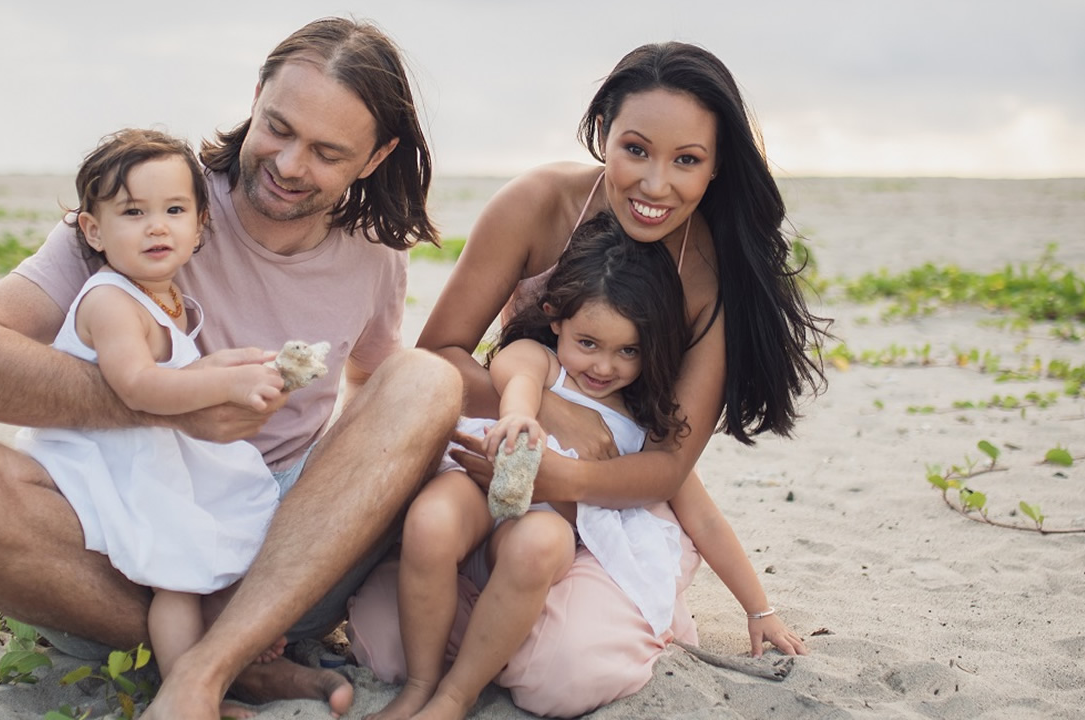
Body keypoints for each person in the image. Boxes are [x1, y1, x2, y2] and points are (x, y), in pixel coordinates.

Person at [0, 18, 461, 720]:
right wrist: (165, 403)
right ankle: (232, 663)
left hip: (276, 557)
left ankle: (210, 661)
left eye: (326, 152)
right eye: (278, 128)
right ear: (256, 95)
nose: (290, 165)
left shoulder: (374, 253)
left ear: (376, 155)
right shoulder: (153, 200)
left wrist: (318, 517)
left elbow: (376, 395)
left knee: (428, 379)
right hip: (124, 539)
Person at [351, 41, 828, 717]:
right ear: (604, 131)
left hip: (609, 501)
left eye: (687, 161)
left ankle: (542, 637)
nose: (655, 184)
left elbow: (667, 469)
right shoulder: (541, 204)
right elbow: (439, 361)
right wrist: (556, 412)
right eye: (636, 149)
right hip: (503, 471)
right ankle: (482, 646)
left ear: (716, 167)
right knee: (386, 635)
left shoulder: (711, 281)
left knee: (564, 678)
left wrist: (561, 478)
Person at [356, 212, 704, 720]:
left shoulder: (638, 419)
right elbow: (512, 378)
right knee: (430, 523)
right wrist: (521, 419)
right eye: (589, 343)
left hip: (543, 524)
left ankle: (455, 696)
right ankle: (420, 684)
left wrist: (759, 609)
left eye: (628, 350)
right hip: (481, 483)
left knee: (539, 543)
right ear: (556, 319)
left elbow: (701, 513)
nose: (604, 366)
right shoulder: (540, 360)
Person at [13, 127, 292, 718]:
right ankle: (187, 686)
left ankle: (228, 654)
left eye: (173, 210)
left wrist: (227, 366)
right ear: (93, 230)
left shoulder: (165, 296)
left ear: (199, 226)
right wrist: (225, 382)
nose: (157, 226)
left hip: (152, 452)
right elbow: (137, 386)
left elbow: (176, 370)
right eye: (132, 212)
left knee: (218, 537)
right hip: (110, 462)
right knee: (176, 574)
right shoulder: (109, 299)